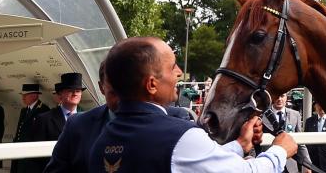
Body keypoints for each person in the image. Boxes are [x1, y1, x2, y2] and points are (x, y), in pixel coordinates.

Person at [88, 36, 297, 172]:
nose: (179, 72)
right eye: (172, 67)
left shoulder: (101, 141)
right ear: (151, 84)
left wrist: (240, 145)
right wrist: (279, 151)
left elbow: (186, 160)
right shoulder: (179, 137)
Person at [43, 60, 197, 173]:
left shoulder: (178, 122)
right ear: (101, 87)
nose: (123, 91)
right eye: (115, 85)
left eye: (128, 83)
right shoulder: (78, 125)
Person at [28, 73, 87, 172]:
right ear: (60, 94)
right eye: (70, 90)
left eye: (78, 90)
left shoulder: (87, 119)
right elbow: (36, 157)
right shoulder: (44, 119)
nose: (75, 93)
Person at [261, 92, 310, 173]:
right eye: (277, 96)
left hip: (290, 165)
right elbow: (256, 142)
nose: (279, 99)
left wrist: (307, 165)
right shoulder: (263, 115)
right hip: (269, 164)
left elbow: (300, 143)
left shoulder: (295, 114)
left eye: (282, 96)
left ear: (286, 97)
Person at [13, 83, 50, 173]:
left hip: (33, 157)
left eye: (25, 95)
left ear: (34, 95)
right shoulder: (24, 110)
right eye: (23, 95)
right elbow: (19, 131)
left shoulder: (43, 110)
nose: (23, 97)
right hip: (21, 153)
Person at [305, 101, 326, 173]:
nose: (321, 107)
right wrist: (307, 165)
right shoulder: (309, 121)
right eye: (319, 105)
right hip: (314, 162)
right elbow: (306, 143)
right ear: (315, 106)